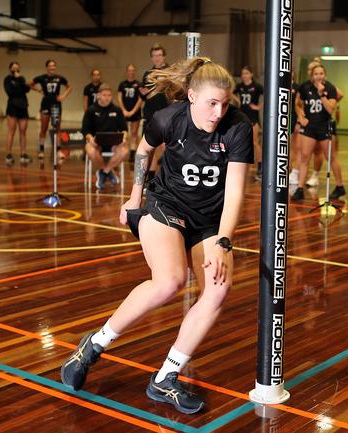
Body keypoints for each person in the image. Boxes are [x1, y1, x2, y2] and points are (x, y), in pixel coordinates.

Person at [61, 57, 254, 415]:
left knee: (219, 287)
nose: (219, 111)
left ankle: (166, 377)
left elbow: (236, 192)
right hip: (166, 205)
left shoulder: (238, 127)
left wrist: (225, 242)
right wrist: (135, 196)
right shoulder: (169, 118)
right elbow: (144, 150)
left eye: (225, 104)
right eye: (212, 103)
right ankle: (96, 343)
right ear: (192, 96)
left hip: (209, 220)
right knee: (169, 282)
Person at [291, 63, 345, 201]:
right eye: (316, 74)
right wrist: (300, 116)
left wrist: (322, 95)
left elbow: (330, 109)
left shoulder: (330, 88)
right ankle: (299, 188)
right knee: (304, 157)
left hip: (324, 126)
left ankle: (340, 186)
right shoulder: (305, 87)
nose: (319, 76)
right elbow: (297, 103)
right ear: (312, 76)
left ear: (325, 75)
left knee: (330, 157)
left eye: (321, 73)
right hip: (310, 127)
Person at [81, 83, 129, 189]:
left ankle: (103, 172)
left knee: (124, 151)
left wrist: (124, 137)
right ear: (98, 95)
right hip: (96, 142)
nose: (107, 98)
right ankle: (109, 172)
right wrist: (90, 138)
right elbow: (85, 130)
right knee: (90, 150)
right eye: (104, 95)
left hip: (113, 142)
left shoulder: (117, 110)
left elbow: (124, 129)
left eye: (109, 95)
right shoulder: (91, 110)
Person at [29, 60, 72, 159]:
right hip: (45, 104)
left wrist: (62, 96)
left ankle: (58, 151)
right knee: (43, 128)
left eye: (54, 66)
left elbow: (69, 87)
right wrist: (39, 90)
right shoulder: (41, 77)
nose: (52, 67)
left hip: (56, 104)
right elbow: (30, 84)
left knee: (57, 128)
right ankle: (41, 150)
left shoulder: (60, 78)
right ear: (47, 67)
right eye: (50, 66)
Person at [139, 43, 170, 182]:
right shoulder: (147, 74)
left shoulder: (170, 71)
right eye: (154, 56)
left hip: (167, 115)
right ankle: (149, 180)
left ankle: (169, 179)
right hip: (150, 115)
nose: (157, 58)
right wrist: (144, 93)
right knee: (149, 148)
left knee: (166, 148)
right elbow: (143, 95)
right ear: (151, 58)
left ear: (164, 56)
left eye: (159, 55)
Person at [234, 66, 264, 181]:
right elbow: (230, 93)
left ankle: (260, 167)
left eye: (246, 73)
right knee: (241, 142)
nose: (244, 75)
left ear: (251, 74)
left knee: (255, 142)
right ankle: (242, 165)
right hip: (241, 116)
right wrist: (237, 101)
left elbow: (269, 94)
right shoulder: (239, 86)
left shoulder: (256, 86)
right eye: (243, 73)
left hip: (253, 117)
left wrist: (259, 106)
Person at [3, 61, 32, 165]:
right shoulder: (8, 79)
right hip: (12, 107)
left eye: (17, 68)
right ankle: (8, 154)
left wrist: (20, 79)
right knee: (12, 131)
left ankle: (23, 154)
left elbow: (27, 89)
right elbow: (10, 92)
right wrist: (18, 84)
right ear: (10, 69)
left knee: (23, 131)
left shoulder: (21, 78)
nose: (16, 69)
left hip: (23, 106)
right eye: (14, 68)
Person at [117, 64, 143, 158]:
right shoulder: (122, 84)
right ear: (127, 71)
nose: (131, 72)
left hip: (135, 111)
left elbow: (141, 99)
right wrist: (123, 110)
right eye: (129, 70)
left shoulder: (139, 84)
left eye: (132, 70)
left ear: (134, 71)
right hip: (124, 111)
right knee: (123, 132)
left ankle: (132, 152)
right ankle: (122, 151)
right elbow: (119, 98)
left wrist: (132, 111)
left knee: (134, 132)